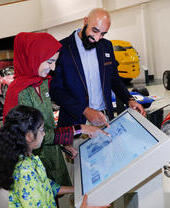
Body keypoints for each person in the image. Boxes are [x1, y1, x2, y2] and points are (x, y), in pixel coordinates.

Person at [3, 32, 108, 187]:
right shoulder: (19, 93)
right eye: (49, 62)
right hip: (34, 166)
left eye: (55, 62)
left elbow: (47, 126)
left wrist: (63, 143)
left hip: (52, 158)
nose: (52, 68)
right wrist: (80, 128)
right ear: (34, 58)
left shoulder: (42, 83)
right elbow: (31, 136)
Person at [50, 8, 146, 128]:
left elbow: (114, 78)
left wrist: (129, 99)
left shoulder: (106, 46)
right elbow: (56, 90)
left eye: (102, 34)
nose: (97, 38)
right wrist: (84, 110)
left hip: (104, 119)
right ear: (85, 21)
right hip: (75, 124)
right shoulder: (62, 48)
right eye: (95, 30)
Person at [0, 105, 74, 208]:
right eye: (41, 129)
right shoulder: (25, 171)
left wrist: (75, 189)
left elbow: (46, 187)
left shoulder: (27, 157)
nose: (44, 134)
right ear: (29, 136)